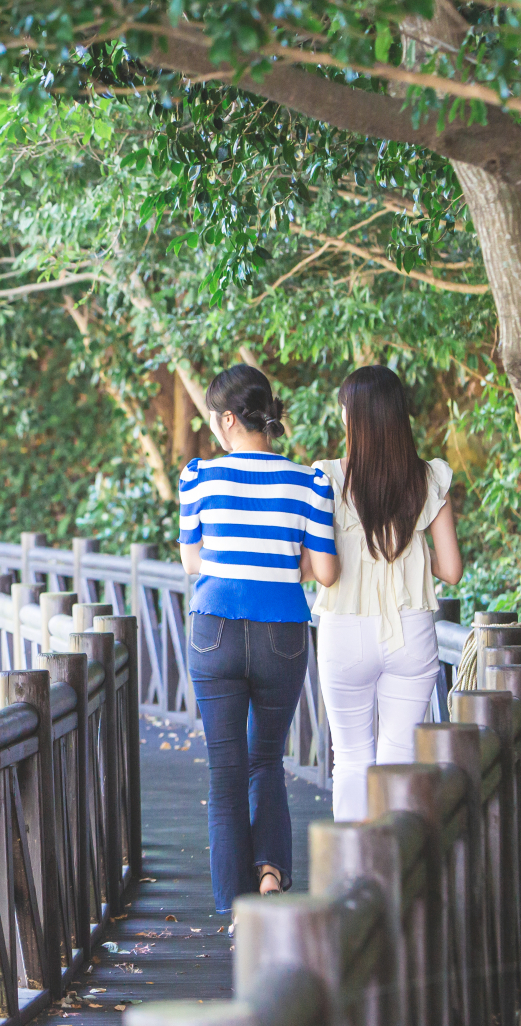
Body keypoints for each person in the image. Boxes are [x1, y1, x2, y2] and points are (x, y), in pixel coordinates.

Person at [177, 364, 340, 913]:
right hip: (282, 634)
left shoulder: (199, 478)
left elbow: (193, 561)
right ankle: (271, 870)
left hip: (215, 630)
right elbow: (322, 569)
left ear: (227, 419)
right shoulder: (310, 482)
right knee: (266, 759)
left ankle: (235, 910)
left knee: (225, 773)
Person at [312, 365, 463, 822]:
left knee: (352, 760)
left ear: (350, 417)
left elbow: (317, 569)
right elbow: (452, 570)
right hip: (410, 631)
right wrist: (413, 554)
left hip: (344, 632)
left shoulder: (326, 478)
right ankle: (396, 881)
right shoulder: (428, 478)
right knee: (398, 762)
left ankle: (350, 882)